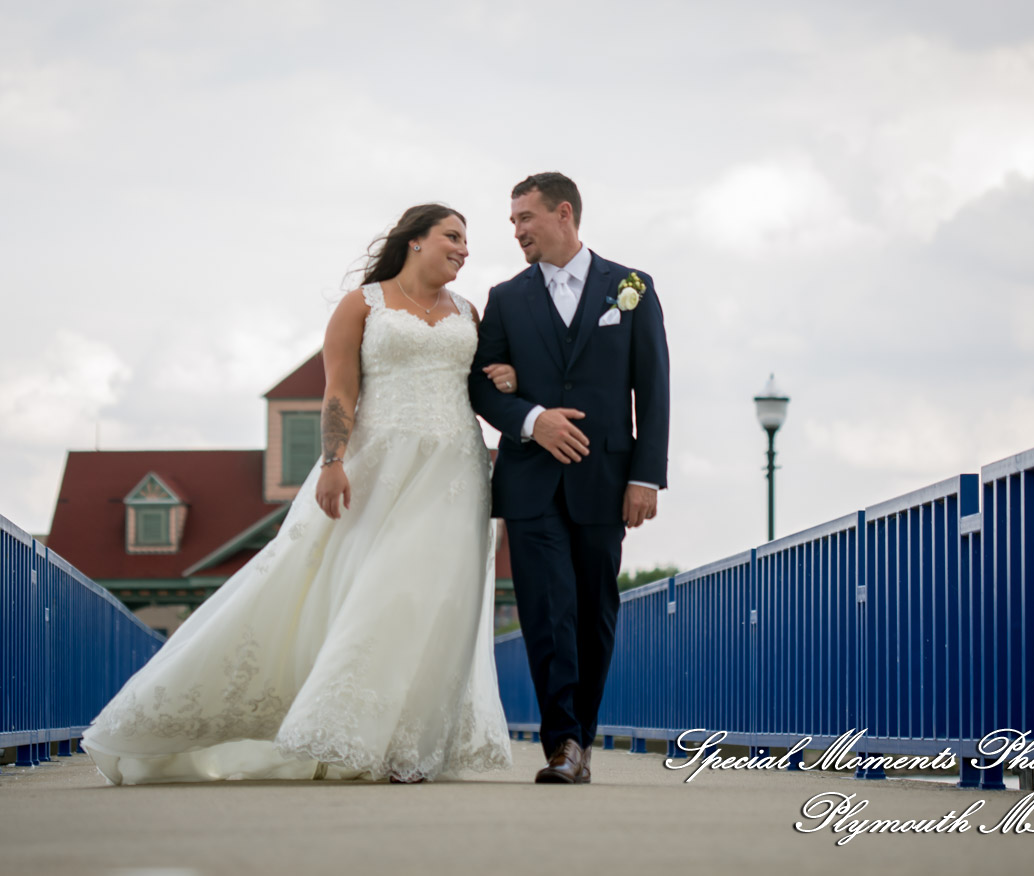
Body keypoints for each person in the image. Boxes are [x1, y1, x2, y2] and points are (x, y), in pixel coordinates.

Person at [80, 204, 513, 784]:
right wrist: (333, 462)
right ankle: (342, 734)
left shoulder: (469, 313)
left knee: (435, 601)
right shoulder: (363, 305)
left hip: (455, 471)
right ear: (414, 241)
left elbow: (483, 385)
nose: (464, 248)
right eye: (452, 236)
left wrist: (503, 378)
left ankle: (407, 744)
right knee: (380, 591)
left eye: (468, 241)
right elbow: (338, 391)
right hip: (377, 466)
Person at [469, 172, 671, 784]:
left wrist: (646, 479)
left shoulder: (631, 288)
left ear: (564, 214)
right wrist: (532, 419)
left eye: (524, 218)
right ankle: (562, 746)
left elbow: (653, 388)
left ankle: (580, 738)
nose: (516, 231)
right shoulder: (505, 298)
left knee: (594, 610)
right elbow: (479, 382)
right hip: (530, 480)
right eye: (511, 222)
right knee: (545, 609)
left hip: (605, 480)